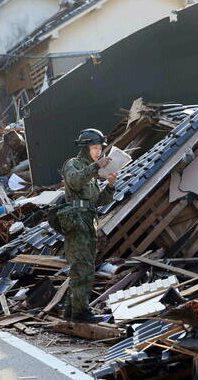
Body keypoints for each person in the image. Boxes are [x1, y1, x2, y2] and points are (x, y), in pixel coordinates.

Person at [60, 128, 118, 323]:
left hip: (88, 219)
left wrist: (110, 186)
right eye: (94, 148)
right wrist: (96, 167)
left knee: (83, 266)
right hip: (76, 220)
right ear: (85, 148)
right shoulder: (74, 164)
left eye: (100, 148)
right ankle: (81, 313)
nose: (98, 152)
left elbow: (97, 200)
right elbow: (75, 182)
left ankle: (71, 311)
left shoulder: (90, 171)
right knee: (82, 267)